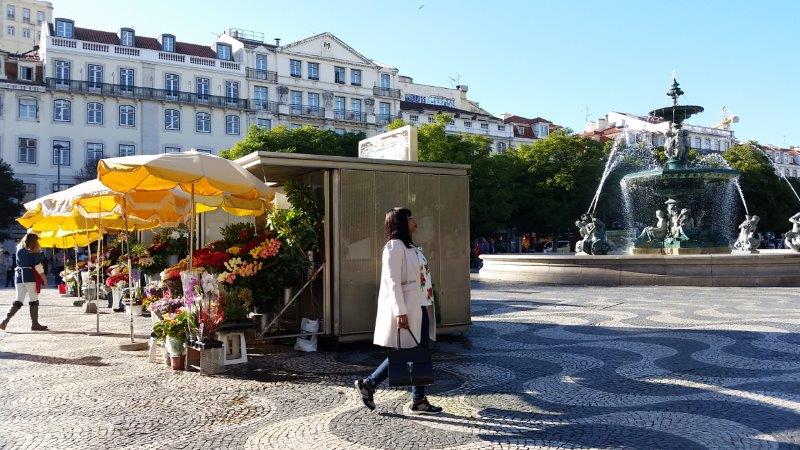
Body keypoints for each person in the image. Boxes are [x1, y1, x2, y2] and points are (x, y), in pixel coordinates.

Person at [354, 207, 442, 415]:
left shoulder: (411, 248)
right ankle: (369, 384)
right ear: (401, 223)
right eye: (410, 218)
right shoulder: (394, 247)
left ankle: (418, 399)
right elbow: (392, 282)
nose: (414, 220)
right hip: (409, 309)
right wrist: (400, 311)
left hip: (421, 306)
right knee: (406, 352)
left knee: (420, 352)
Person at [1, 233, 48, 331]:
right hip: (30, 277)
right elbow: (38, 266)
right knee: (34, 301)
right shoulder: (35, 253)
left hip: (18, 277)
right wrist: (44, 278)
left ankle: (5, 320)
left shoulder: (19, 250)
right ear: (34, 242)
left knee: (18, 300)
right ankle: (34, 324)